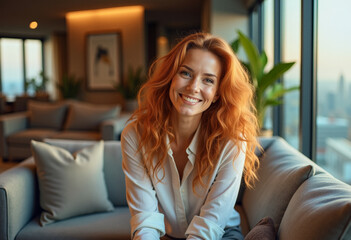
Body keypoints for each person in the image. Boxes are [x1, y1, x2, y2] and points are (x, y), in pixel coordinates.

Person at [121, 32, 260, 240]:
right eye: (185, 73)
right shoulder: (135, 135)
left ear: (217, 94)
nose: (194, 87)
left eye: (208, 80)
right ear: (170, 77)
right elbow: (146, 219)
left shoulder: (232, 140)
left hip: (219, 235)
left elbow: (210, 224)